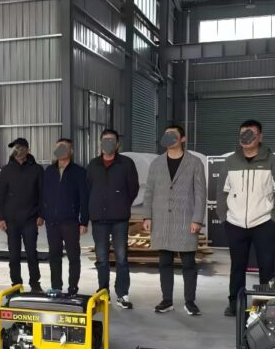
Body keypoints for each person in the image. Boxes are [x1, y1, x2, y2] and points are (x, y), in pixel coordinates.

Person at [217, 119, 275, 317]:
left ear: (260, 137)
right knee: (237, 266)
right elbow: (222, 191)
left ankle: (267, 305)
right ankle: (235, 304)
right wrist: (224, 216)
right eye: (243, 134)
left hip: (264, 223)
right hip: (235, 223)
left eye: (251, 134)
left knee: (267, 266)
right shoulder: (230, 162)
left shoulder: (272, 161)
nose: (246, 138)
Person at [142, 125, 206, 316]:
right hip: (162, 220)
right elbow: (149, 191)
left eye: (173, 135)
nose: (169, 137)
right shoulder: (156, 163)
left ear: (183, 139)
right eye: (166, 134)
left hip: (186, 220)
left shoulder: (194, 163)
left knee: (188, 263)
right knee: (164, 262)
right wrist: (147, 216)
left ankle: (190, 301)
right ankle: (167, 300)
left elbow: (200, 194)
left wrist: (197, 219)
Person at [86, 129, 139, 309]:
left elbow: (133, 188)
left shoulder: (126, 164)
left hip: (119, 219)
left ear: (117, 144)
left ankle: (122, 294)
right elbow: (88, 189)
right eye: (105, 140)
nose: (108, 144)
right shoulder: (93, 164)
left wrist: (121, 203)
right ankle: (103, 292)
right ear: (100, 143)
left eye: (111, 141)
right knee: (101, 258)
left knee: (121, 258)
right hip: (99, 219)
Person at [38, 138, 89, 295]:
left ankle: (73, 287)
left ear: (70, 151)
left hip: (70, 221)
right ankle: (56, 286)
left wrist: (84, 221)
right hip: (51, 222)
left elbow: (84, 198)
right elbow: (43, 195)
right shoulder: (49, 171)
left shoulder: (79, 172)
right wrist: (41, 214)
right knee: (54, 255)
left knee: (73, 256)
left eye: (64, 147)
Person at [0, 137, 43, 292]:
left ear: (27, 150)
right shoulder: (7, 170)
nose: (18, 151)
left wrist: (41, 214)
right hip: (12, 221)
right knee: (14, 254)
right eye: (15, 148)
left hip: (30, 219)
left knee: (31, 253)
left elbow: (42, 194)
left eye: (21, 148)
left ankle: (35, 283)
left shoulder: (37, 170)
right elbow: (1, 195)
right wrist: (1, 217)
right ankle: (16, 284)